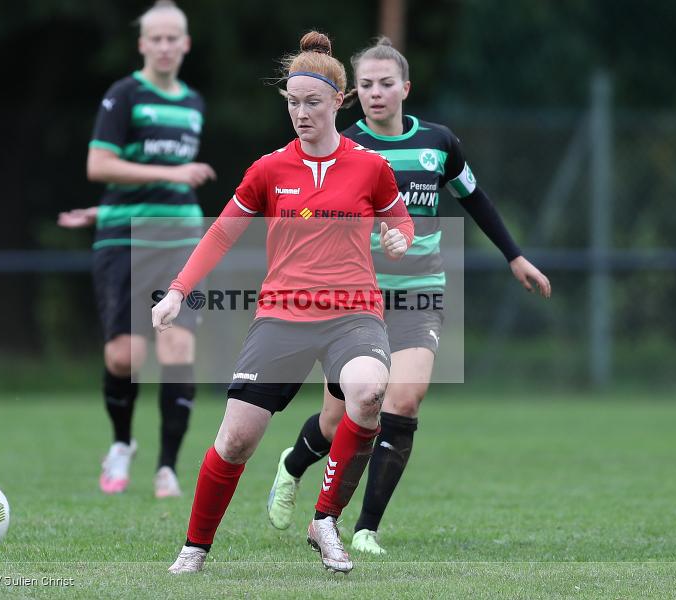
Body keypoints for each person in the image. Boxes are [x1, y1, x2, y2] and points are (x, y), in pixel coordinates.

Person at [266, 37, 552, 554]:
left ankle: (366, 528)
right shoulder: (343, 146)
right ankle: (292, 464)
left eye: (386, 83)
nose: (377, 93)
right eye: (367, 85)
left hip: (420, 292)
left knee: (405, 398)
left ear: (405, 88)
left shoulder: (439, 143)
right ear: (355, 93)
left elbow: (476, 199)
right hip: (356, 299)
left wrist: (514, 255)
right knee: (338, 421)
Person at [152, 31, 415, 574]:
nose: (300, 113)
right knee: (237, 439)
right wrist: (178, 289)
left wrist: (398, 238)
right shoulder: (269, 169)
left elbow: (401, 222)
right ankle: (194, 548)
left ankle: (325, 521)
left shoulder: (370, 167)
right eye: (292, 103)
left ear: (338, 103)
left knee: (367, 394)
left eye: (311, 102)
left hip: (353, 315)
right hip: (283, 315)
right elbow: (222, 234)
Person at [58, 1, 216, 498]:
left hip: (182, 238)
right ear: (142, 44)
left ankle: (167, 467)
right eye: (157, 38)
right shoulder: (124, 95)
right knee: (125, 357)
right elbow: (99, 165)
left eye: (174, 38)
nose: (166, 46)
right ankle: (122, 443)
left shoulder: (193, 103)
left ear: (186, 44)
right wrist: (165, 178)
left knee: (177, 346)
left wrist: (165, 188)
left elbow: (153, 182)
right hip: (124, 239)